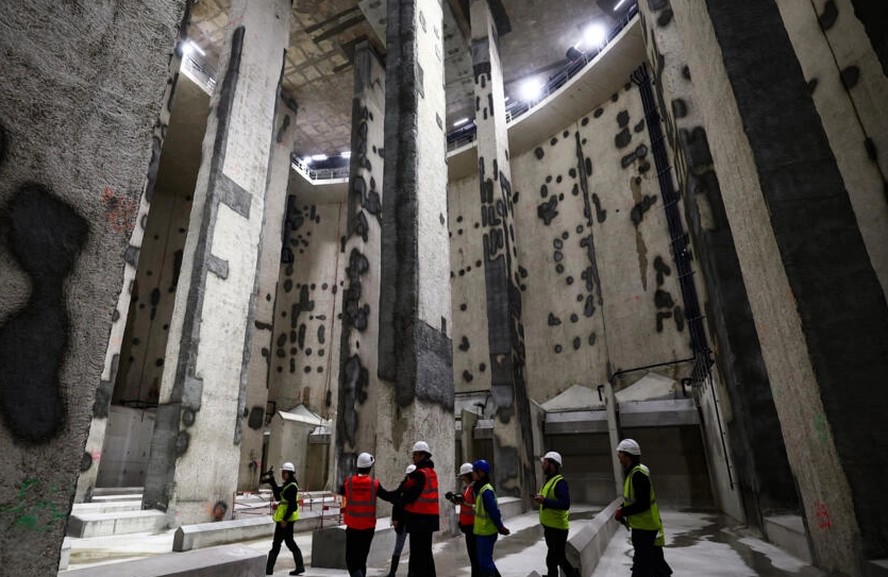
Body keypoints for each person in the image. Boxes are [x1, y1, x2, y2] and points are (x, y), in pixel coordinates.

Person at [614, 439, 672, 577]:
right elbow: (634, 498)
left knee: (643, 566)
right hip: (644, 526)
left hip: (645, 528)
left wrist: (623, 511)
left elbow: (643, 504)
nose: (618, 457)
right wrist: (623, 507)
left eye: (620, 454)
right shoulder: (634, 472)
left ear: (627, 455)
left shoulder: (638, 475)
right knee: (654, 561)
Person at [339, 452, 397, 577]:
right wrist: (401, 492)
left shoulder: (348, 482)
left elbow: (341, 490)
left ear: (357, 467)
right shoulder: (374, 484)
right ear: (370, 468)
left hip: (353, 528)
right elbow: (387, 496)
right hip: (368, 529)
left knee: (351, 560)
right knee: (361, 560)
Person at [533, 451, 580, 577]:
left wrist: (545, 501)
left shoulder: (560, 482)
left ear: (552, 465)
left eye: (545, 462)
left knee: (559, 559)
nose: (542, 465)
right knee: (552, 559)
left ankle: (574, 574)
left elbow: (565, 504)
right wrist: (542, 499)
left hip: (557, 528)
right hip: (550, 527)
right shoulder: (549, 481)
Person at [401, 440, 440, 577]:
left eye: (415, 455)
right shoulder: (431, 472)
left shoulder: (420, 474)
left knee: (417, 554)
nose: (413, 458)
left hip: (419, 519)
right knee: (426, 553)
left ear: (422, 455)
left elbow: (409, 496)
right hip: (429, 519)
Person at [262, 461, 305, 576]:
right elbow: (278, 496)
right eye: (282, 472)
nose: (282, 474)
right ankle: (299, 567)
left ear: (290, 473)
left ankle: (268, 570)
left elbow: (292, 505)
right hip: (286, 519)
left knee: (277, 544)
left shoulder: (292, 486)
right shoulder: (288, 484)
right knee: (289, 542)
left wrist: (285, 520)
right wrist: (273, 483)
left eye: (284, 472)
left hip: (286, 520)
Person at [472, 459, 510, 577]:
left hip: (486, 533)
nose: (472, 474)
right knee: (484, 561)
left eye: (474, 471)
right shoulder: (480, 489)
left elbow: (493, 512)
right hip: (481, 532)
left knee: (485, 563)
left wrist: (500, 527)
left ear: (481, 473)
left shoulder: (486, 491)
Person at [446, 462, 480, 577]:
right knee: (474, 558)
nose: (462, 479)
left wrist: (464, 503)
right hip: (468, 527)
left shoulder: (475, 489)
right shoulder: (467, 488)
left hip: (475, 528)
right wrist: (457, 501)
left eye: (464, 476)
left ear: (470, 475)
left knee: (477, 558)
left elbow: (479, 507)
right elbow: (464, 506)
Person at [386, 464, 415, 577]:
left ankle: (411, 573)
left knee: (413, 549)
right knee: (398, 548)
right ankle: (392, 572)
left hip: (412, 522)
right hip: (403, 522)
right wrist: (394, 519)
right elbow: (396, 504)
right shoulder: (402, 488)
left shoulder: (416, 488)